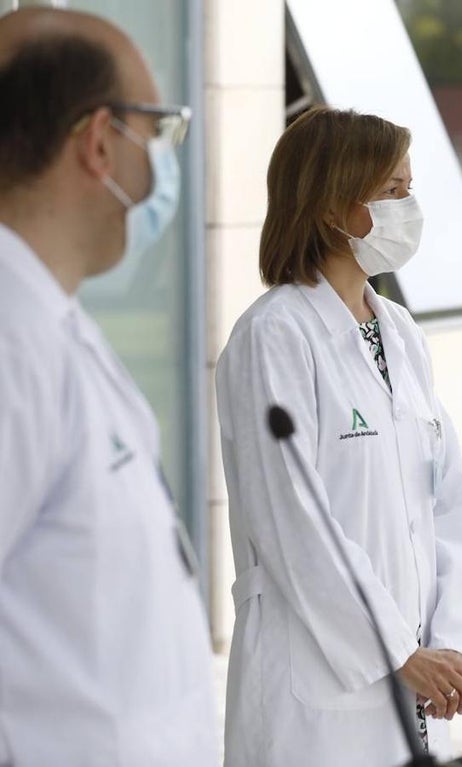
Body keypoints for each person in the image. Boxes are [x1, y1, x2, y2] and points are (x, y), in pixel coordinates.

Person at [215, 106, 462, 767]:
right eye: (392, 191)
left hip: (421, 678)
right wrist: (397, 650)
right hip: (317, 690)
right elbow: (295, 521)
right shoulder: (275, 336)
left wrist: (450, 643)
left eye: (409, 189)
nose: (409, 207)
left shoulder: (401, 333)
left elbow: (447, 504)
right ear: (333, 203)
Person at [0, 8, 216, 766]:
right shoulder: (11, 343)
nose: (163, 165)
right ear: (98, 143)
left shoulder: (51, 321)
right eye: (157, 132)